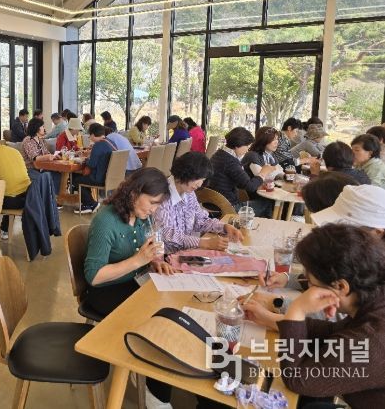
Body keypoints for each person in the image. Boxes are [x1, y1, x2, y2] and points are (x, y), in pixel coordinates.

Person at [244, 224, 385, 408]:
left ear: (341, 287)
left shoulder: (372, 340)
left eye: (311, 283)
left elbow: (297, 380)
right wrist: (272, 320)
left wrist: (297, 309)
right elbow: (331, 331)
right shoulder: (373, 298)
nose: (308, 287)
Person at [83, 168, 175, 407]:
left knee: (171, 310)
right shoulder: (106, 221)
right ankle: (155, 394)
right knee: (158, 326)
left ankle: (154, 375)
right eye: (152, 202)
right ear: (134, 193)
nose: (154, 209)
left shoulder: (142, 217)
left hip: (134, 281)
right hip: (106, 290)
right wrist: (138, 261)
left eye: (158, 204)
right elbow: (94, 276)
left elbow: (143, 252)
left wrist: (154, 261)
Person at [156, 152, 243, 254]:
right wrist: (202, 243)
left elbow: (200, 220)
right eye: (198, 178)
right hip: (165, 256)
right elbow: (166, 234)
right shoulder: (161, 195)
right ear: (185, 172)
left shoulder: (189, 193)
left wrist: (224, 227)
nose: (200, 184)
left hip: (186, 253)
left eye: (203, 180)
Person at [206, 127, 276, 216]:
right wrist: (263, 173)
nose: (247, 150)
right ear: (238, 145)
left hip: (211, 203)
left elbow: (240, 182)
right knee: (267, 203)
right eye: (247, 146)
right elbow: (250, 186)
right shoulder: (231, 162)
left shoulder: (218, 154)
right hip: (226, 208)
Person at [72, 123, 114, 214]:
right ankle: (88, 204)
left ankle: (91, 203)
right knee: (84, 179)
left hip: (99, 178)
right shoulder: (110, 142)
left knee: (77, 180)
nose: (89, 138)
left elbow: (92, 164)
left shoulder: (98, 145)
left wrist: (84, 160)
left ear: (93, 135)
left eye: (89, 135)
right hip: (110, 178)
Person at [20, 117, 61, 193]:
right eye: (42, 126)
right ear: (37, 128)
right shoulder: (28, 140)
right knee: (44, 178)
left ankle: (54, 197)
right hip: (30, 169)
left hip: (42, 168)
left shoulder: (40, 140)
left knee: (57, 174)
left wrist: (54, 156)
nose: (44, 128)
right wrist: (48, 157)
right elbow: (35, 158)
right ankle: (47, 198)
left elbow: (46, 153)